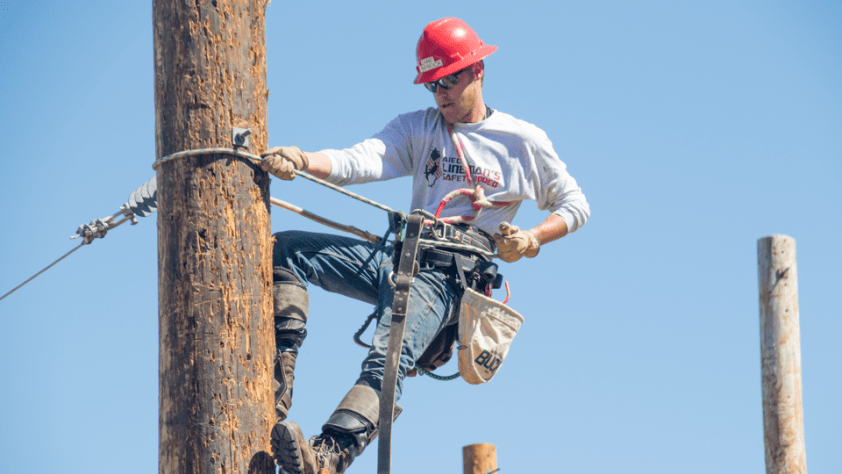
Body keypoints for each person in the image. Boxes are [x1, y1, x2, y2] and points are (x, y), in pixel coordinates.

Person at [261, 17, 590, 474]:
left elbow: (575, 204)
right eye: (432, 84)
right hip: (400, 259)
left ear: (477, 71)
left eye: (449, 80)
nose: (440, 93)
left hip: (449, 279)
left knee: (387, 356)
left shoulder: (520, 142)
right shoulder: (419, 128)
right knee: (286, 250)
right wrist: (303, 160)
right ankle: (276, 379)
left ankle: (328, 455)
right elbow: (361, 160)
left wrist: (531, 239)